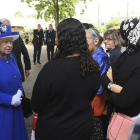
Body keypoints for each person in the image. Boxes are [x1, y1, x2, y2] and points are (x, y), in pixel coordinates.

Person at [31, 18, 101, 140]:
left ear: (60, 40)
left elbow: (36, 105)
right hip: (83, 130)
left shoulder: (51, 68)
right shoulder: (93, 66)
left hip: (54, 132)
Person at [101, 17, 140, 139]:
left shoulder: (132, 58)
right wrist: (118, 89)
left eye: (121, 33)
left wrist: (110, 87)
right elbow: (103, 78)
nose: (120, 36)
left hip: (129, 122)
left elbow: (124, 100)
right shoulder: (127, 54)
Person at [0, 23, 28, 140]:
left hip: (16, 110)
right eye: (5, 42)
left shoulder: (12, 56)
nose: (9, 45)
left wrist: (19, 91)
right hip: (3, 113)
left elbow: (17, 78)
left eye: (11, 42)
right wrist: (9, 99)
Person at [85, 28, 110, 140]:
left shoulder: (101, 56)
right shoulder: (92, 53)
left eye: (85, 41)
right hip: (90, 96)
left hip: (95, 97)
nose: (83, 44)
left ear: (95, 41)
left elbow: (99, 85)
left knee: (95, 128)